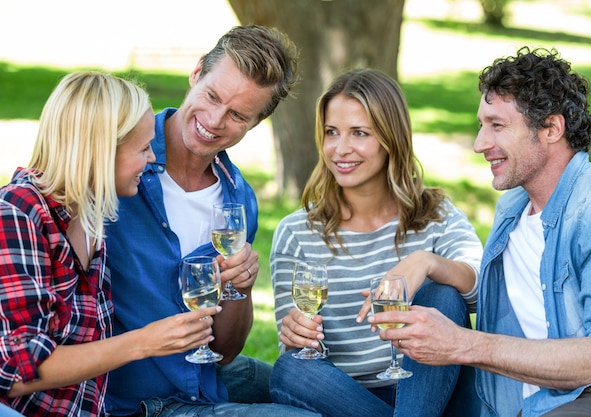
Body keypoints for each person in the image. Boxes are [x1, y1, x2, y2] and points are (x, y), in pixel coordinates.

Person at [369, 46, 591, 416]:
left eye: (497, 126)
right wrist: (427, 263)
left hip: (587, 401)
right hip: (504, 402)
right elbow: (488, 304)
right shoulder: (512, 210)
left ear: (551, 129)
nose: (479, 144)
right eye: (480, 125)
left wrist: (464, 345)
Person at [104, 25, 319, 417]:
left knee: (316, 387)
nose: (215, 120)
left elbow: (223, 353)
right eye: (212, 96)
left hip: (203, 383)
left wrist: (241, 287)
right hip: (131, 400)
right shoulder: (117, 159)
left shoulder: (239, 201)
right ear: (198, 71)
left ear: (255, 123)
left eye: (238, 114)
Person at [0, 72, 218, 416]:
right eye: (143, 148)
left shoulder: (90, 215)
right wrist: (145, 342)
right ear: (99, 151)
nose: (150, 160)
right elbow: (17, 369)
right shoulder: (18, 214)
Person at [269, 68, 483, 417]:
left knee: (442, 293)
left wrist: (426, 262)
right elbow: (301, 350)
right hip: (347, 397)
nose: (341, 149)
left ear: (390, 138)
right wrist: (296, 332)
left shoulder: (435, 215)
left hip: (438, 392)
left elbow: (481, 290)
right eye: (331, 133)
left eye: (359, 133)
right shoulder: (296, 233)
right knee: (291, 369)